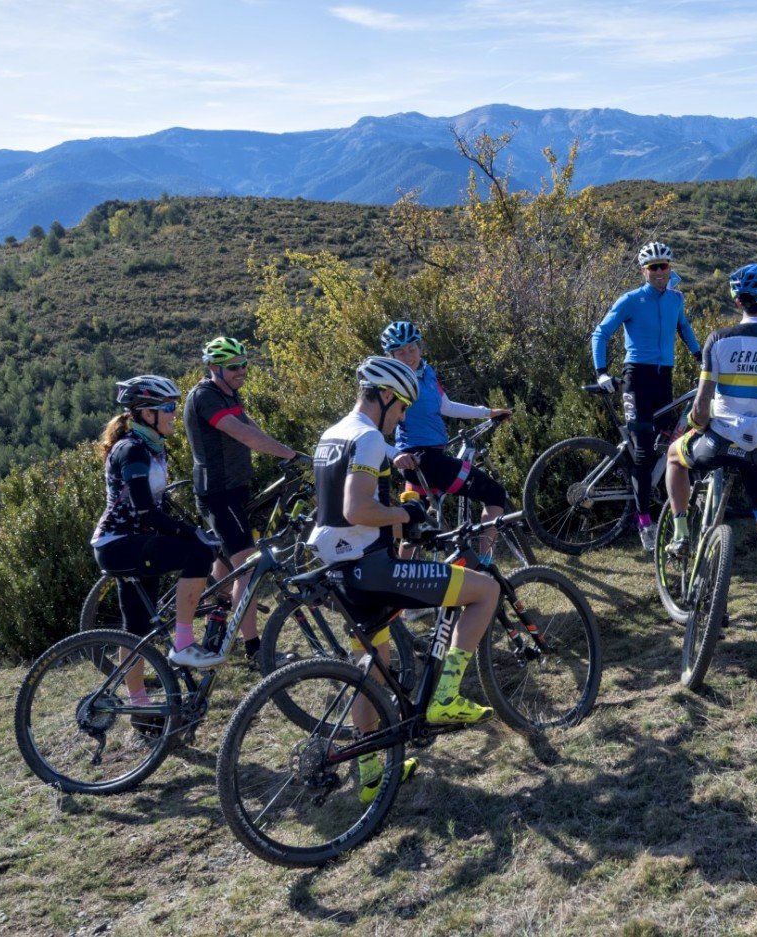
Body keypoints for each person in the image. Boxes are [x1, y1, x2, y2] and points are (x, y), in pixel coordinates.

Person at [307, 355, 502, 801]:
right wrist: (406, 513)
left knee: (372, 670)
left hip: (341, 573)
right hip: (374, 570)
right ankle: (446, 696)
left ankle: (370, 776)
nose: (400, 419)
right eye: (399, 408)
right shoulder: (368, 438)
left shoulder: (332, 434)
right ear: (384, 396)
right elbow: (357, 508)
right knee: (485, 590)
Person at [664, 263, 757, 634]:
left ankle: (681, 532)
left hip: (719, 442)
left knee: (674, 456)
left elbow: (701, 407)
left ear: (738, 302)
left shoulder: (719, 340)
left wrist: (695, 424)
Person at [91, 375, 223, 701]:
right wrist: (192, 534)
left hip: (132, 543)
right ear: (147, 414)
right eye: (168, 408)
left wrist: (191, 528)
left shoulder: (152, 448)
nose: (174, 414)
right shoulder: (132, 451)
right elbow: (146, 512)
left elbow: (158, 506)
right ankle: (184, 643)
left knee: (136, 630)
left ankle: (140, 707)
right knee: (198, 554)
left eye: (174, 407)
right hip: (119, 543)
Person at [182, 336, 308, 661]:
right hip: (218, 493)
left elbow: (250, 426)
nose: (241, 371)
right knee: (248, 569)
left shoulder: (228, 393)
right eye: (234, 367)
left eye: (244, 365)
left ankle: (218, 619)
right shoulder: (205, 397)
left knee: (228, 565)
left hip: (235, 489)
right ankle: (255, 650)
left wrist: (281, 449)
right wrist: (291, 454)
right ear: (214, 368)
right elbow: (241, 434)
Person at [590, 241, 703, 551]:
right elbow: (600, 333)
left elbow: (684, 327)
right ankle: (643, 522)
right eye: (653, 267)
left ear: (670, 267)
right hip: (637, 379)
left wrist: (700, 358)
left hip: (663, 379)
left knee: (669, 447)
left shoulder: (676, 299)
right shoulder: (631, 300)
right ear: (644, 271)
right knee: (643, 453)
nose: (659, 272)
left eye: (663, 266)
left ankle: (673, 511)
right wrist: (601, 372)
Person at [380, 321, 512, 565]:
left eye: (412, 349)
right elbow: (369, 430)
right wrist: (394, 454)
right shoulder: (391, 384)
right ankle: (483, 564)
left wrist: (487, 412)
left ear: (420, 347)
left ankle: (398, 579)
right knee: (495, 493)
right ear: (391, 356)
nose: (409, 356)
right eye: (400, 352)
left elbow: (447, 406)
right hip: (423, 461)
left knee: (413, 525)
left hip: (423, 461)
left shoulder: (427, 372)